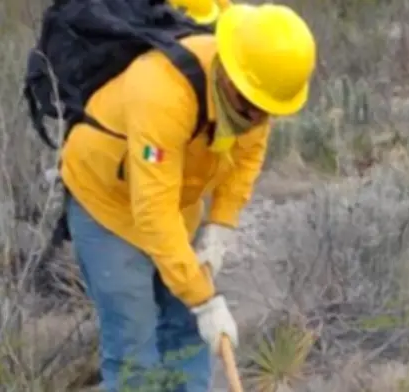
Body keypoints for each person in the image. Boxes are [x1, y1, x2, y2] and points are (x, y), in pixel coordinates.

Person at [57, 3, 316, 391]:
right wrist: (205, 299)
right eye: (252, 108)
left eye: (267, 112)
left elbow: (245, 162)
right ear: (228, 73)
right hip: (107, 205)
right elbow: (153, 213)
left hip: (173, 202)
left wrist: (220, 229)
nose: (259, 119)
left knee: (190, 331)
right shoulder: (161, 93)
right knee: (134, 345)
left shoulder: (256, 96)